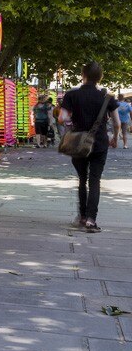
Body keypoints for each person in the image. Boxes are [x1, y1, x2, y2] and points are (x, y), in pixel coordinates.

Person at [59, 62, 119, 232]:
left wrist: (73, 119)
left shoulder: (72, 95)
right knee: (95, 180)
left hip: (78, 142)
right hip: (99, 143)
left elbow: (62, 118)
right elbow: (116, 122)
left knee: (82, 179)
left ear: (82, 75)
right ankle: (91, 220)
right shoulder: (107, 97)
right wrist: (115, 138)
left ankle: (82, 217)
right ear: (100, 77)